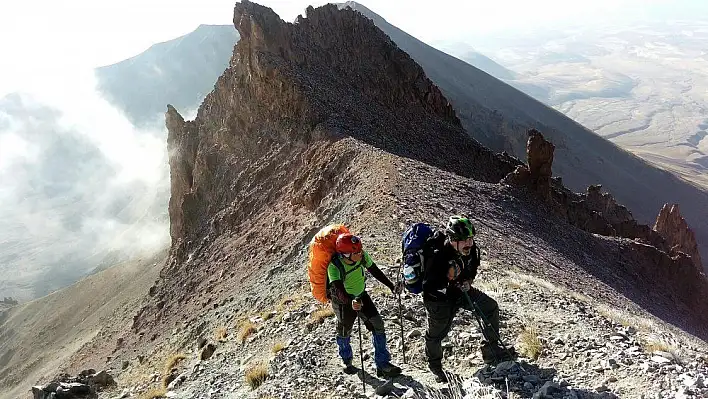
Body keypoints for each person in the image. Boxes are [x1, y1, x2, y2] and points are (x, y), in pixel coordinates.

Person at [422, 216, 516, 382]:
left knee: (490, 307)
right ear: (452, 239)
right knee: (437, 334)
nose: (469, 244)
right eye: (465, 240)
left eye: (471, 238)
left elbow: (472, 269)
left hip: (461, 291)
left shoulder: (470, 250)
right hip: (438, 300)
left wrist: (467, 282)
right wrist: (447, 279)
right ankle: (435, 366)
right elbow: (428, 286)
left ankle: (491, 351)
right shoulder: (437, 256)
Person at [327, 233, 402, 378]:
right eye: (356, 252)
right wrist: (351, 302)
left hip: (361, 295)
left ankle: (382, 364)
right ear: (345, 254)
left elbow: (374, 270)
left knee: (378, 325)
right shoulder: (334, 266)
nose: (360, 253)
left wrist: (391, 286)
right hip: (343, 302)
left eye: (360, 250)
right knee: (344, 330)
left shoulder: (361, 256)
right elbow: (338, 290)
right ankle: (346, 359)